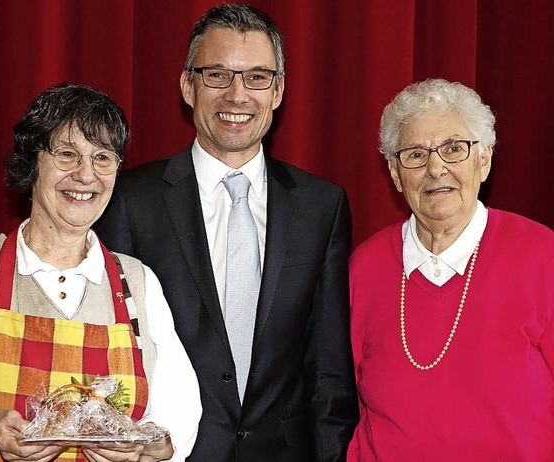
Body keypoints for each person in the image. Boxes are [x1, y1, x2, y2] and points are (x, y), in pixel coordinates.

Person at [95, 4, 358, 461]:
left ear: (278, 91)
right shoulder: (128, 200)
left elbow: (329, 370)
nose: (237, 95)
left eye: (257, 77)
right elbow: (108, 353)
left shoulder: (322, 206)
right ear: (187, 85)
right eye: (217, 75)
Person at [0, 83, 201, 462]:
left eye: (102, 157)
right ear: (31, 162)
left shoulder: (138, 283)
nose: (86, 176)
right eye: (67, 154)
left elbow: (177, 423)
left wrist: (141, 448)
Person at [347, 78, 554, 461]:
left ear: (484, 159)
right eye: (415, 154)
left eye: (454, 149)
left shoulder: (543, 256)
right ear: (395, 174)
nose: (435, 168)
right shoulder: (365, 267)